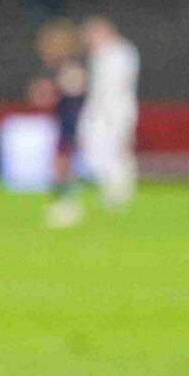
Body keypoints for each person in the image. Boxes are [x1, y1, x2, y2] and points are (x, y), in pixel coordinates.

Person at [79, 16, 140, 210]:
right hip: (98, 109)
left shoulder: (121, 53)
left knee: (117, 150)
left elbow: (116, 88)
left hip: (116, 109)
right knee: (94, 150)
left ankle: (120, 192)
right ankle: (109, 189)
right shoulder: (99, 55)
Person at [34, 21, 90, 228]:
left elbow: (75, 90)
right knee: (62, 162)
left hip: (72, 120)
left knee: (62, 162)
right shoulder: (61, 67)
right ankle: (66, 201)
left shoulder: (72, 66)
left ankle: (68, 202)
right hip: (65, 119)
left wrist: (52, 89)